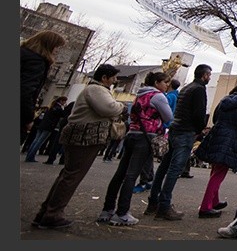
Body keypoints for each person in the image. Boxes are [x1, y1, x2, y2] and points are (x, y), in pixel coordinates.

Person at [32, 63, 125, 229]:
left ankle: (46, 211)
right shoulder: (96, 90)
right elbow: (109, 108)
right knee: (72, 176)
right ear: (104, 78)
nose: (115, 81)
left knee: (67, 174)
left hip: (81, 134)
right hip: (86, 136)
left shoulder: (93, 90)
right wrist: (121, 106)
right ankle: (53, 214)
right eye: (113, 78)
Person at [97, 71, 173, 226]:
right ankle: (122, 212)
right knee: (132, 175)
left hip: (132, 134)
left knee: (120, 173)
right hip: (146, 136)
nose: (167, 86)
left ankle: (107, 209)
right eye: (165, 82)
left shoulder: (139, 95)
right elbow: (169, 116)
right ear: (157, 82)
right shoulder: (158, 96)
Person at [146, 64, 213, 221]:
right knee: (175, 169)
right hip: (186, 131)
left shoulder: (187, 88)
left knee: (164, 167)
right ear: (204, 75)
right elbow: (199, 113)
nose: (209, 78)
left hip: (176, 128)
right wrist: (200, 129)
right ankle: (164, 205)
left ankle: (153, 202)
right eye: (208, 75)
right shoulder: (199, 89)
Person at [196, 84, 237, 218]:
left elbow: (214, 119)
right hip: (230, 139)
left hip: (217, 134)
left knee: (215, 170)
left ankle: (214, 201)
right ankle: (205, 206)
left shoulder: (223, 101)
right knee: (219, 173)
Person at [134, 79, 181, 193]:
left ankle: (146, 180)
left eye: (166, 82)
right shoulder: (171, 96)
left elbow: (166, 113)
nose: (165, 84)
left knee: (147, 153)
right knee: (149, 154)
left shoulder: (168, 97)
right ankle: (148, 178)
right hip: (160, 126)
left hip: (157, 126)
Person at [20, 30, 66, 142]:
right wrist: (28, 118)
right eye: (57, 47)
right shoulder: (36, 61)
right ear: (49, 46)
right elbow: (25, 91)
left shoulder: (22, 53)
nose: (57, 51)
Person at [25, 96, 67, 162]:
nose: (65, 103)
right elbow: (63, 114)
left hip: (42, 125)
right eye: (64, 101)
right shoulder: (58, 108)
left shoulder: (50, 107)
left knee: (35, 141)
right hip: (49, 127)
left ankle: (29, 156)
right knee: (39, 142)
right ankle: (31, 157)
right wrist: (64, 108)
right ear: (61, 101)